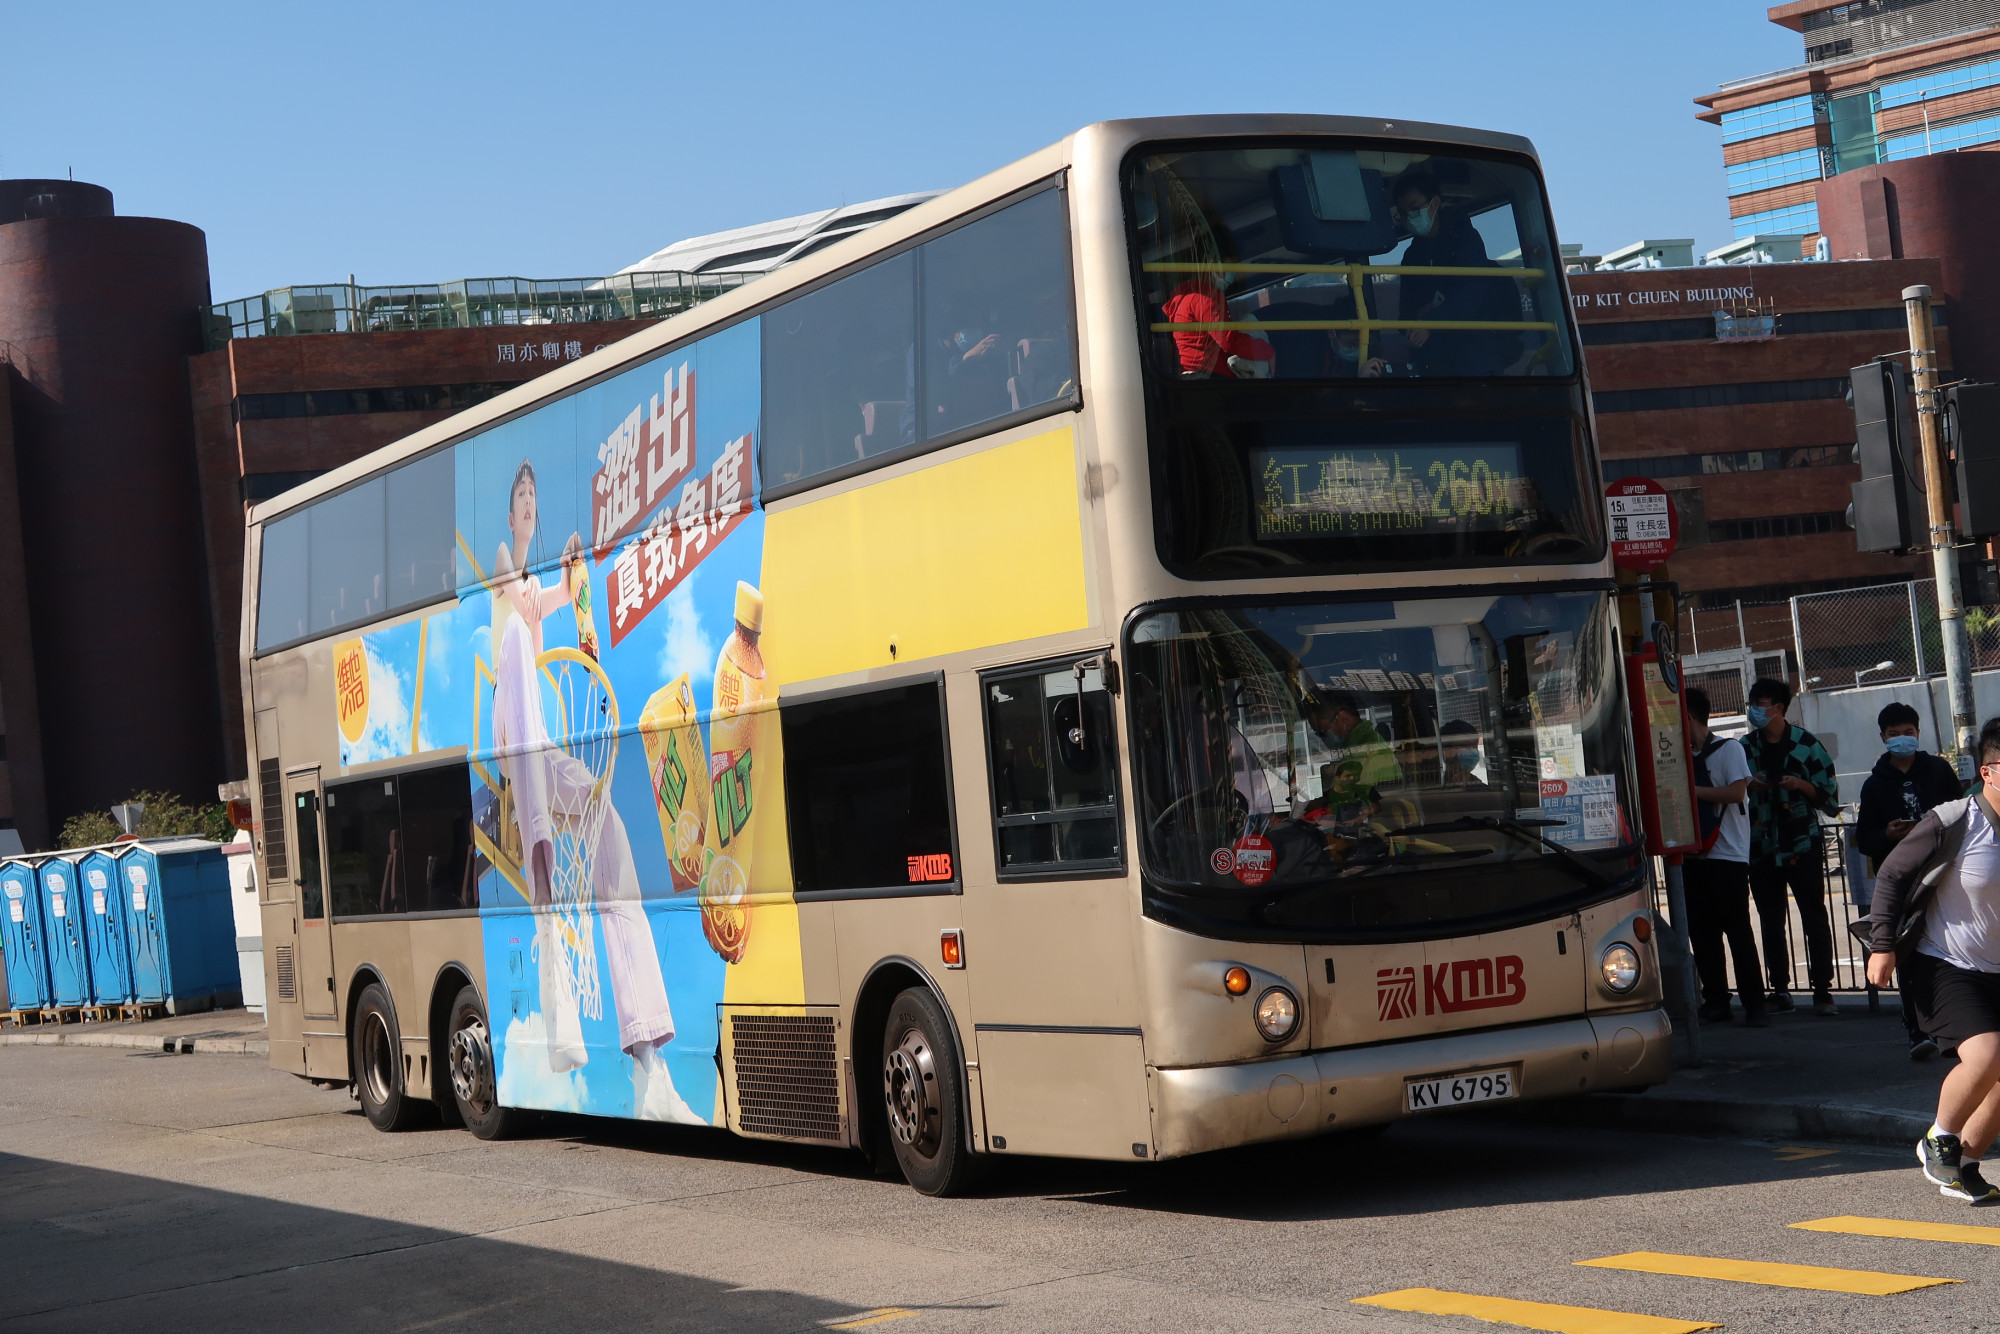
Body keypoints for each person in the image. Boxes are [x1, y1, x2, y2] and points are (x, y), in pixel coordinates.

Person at [490, 460, 700, 1123]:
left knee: (612, 845)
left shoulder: (532, 583)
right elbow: (525, 605)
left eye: (534, 495)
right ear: (510, 513)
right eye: (521, 496)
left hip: (540, 747)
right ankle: (553, 932)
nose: (529, 504)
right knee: (518, 645)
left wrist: (572, 577)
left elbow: (552, 600)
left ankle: (649, 1063)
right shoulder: (503, 565)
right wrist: (556, 584)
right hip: (516, 735)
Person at [1867, 716, 2000, 1203]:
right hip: (1946, 964)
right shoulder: (1954, 820)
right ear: (1988, 772)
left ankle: (1964, 1164)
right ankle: (1938, 1138)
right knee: (1987, 1055)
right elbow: (1891, 875)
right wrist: (1883, 944)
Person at [1857, 701, 1964, 1059]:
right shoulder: (1874, 785)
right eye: (1894, 734)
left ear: (1918, 733)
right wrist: (1887, 834)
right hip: (1902, 882)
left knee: (1949, 950)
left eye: (1908, 732)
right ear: (1883, 738)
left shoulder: (1938, 770)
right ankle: (1917, 1029)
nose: (1902, 739)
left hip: (1943, 873)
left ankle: (1952, 1029)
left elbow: (1963, 813)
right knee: (1906, 953)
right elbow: (1865, 838)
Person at [1740, 678, 1843, 1016]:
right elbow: (1732, 789)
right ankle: (1780, 989)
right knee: (1770, 920)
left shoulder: (1806, 744)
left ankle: (1823, 990)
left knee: (1814, 916)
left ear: (1779, 708)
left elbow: (1829, 797)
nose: (1755, 711)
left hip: (1802, 843)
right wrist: (1750, 786)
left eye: (1761, 705)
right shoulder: (1744, 748)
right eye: (1753, 705)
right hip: (1761, 846)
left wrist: (1800, 785)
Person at [1683, 687, 1769, 1027]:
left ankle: (1755, 1004)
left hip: (1727, 856)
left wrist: (1693, 791)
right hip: (1692, 856)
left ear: (1689, 716)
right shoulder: (1677, 757)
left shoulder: (1729, 748)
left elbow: (1736, 792)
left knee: (1737, 932)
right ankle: (1716, 1000)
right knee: (1702, 934)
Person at [1390, 171, 1512, 377]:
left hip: (1475, 359)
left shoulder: (1465, 239)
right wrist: (1417, 318)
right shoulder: (1411, 257)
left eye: (1414, 208)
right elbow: (1406, 312)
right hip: (1431, 362)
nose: (1410, 217)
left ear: (1435, 203)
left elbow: (1472, 294)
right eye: (1403, 213)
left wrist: (1432, 321)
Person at [1161, 268, 1276, 380]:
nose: (1231, 275)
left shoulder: (1187, 298)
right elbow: (1229, 340)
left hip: (1198, 376)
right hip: (1210, 378)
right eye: (1228, 268)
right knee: (1249, 319)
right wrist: (1267, 351)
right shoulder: (1204, 298)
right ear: (1213, 264)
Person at [1307, 691, 1404, 793]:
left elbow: (1351, 796)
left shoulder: (1363, 751)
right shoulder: (1358, 746)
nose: (1323, 739)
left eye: (1323, 732)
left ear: (1343, 718)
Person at [1435, 719, 1488, 788]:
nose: (1473, 751)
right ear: (1447, 750)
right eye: (1466, 746)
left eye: (1475, 746)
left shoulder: (1480, 787)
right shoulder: (1434, 784)